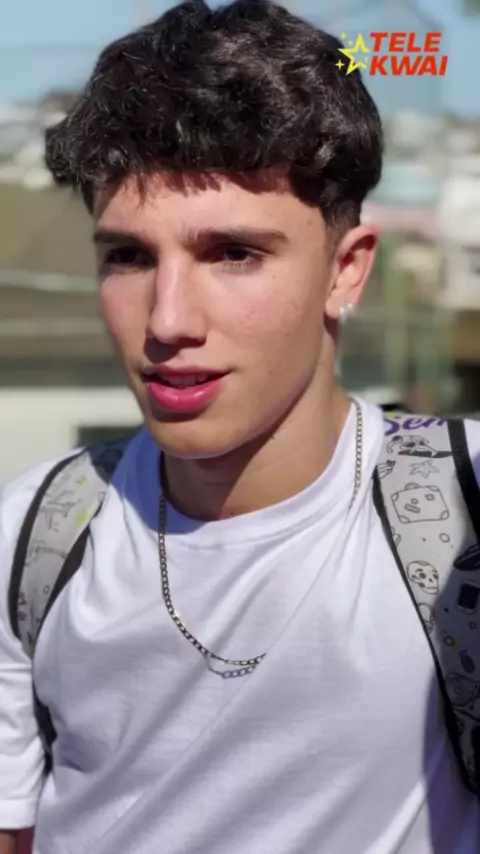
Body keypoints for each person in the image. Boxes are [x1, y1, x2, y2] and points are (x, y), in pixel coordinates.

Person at [0, 2, 479, 852]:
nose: (168, 321)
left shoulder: (461, 516)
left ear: (346, 270)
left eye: (234, 254)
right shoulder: (32, 536)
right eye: (129, 256)